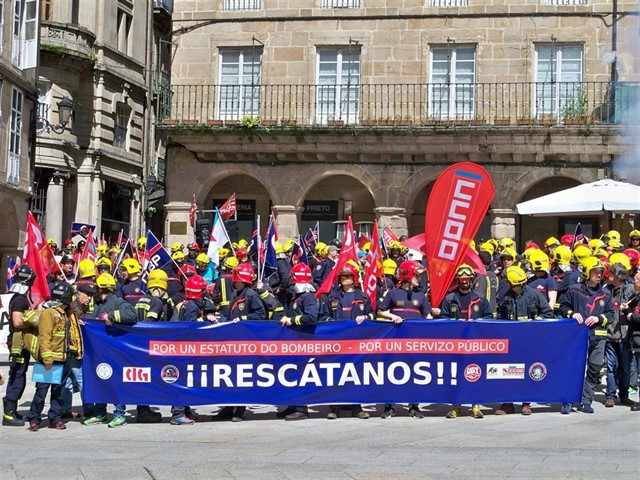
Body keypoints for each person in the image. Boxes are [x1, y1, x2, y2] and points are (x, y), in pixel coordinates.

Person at [495, 265, 554, 416]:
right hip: (511, 341)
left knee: (527, 371)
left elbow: (548, 314)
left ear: (513, 283)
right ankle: (507, 403)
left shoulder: (534, 296)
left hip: (530, 341)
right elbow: (500, 318)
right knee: (508, 372)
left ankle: (526, 403)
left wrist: (534, 323)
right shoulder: (505, 297)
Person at [377, 260, 432, 419]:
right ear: (408, 276)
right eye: (417, 275)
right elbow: (380, 311)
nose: (419, 279)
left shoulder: (421, 295)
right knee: (392, 371)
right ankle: (389, 406)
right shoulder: (393, 293)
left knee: (415, 372)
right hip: (395, 341)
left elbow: (427, 316)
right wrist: (393, 316)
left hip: (414, 342)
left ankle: (414, 406)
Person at [560, 257, 614, 414]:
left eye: (600, 272)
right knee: (574, 368)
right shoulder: (574, 290)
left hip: (598, 338)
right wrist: (572, 313)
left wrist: (598, 318)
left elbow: (610, 314)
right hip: (577, 337)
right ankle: (568, 401)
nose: (599, 275)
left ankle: (586, 401)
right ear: (587, 273)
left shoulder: (605, 294)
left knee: (594, 369)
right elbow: (563, 307)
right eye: (595, 272)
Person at [82, 273, 137, 427]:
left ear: (101, 288)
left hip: (114, 350)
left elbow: (132, 314)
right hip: (99, 351)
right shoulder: (99, 303)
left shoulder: (117, 302)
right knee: (99, 380)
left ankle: (119, 414)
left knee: (115, 382)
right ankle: (100, 413)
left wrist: (112, 316)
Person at [25, 283, 82, 431]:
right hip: (49, 360)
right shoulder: (49, 313)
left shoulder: (66, 314)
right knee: (41, 391)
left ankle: (54, 419)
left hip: (64, 358)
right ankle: (34, 419)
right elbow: (45, 336)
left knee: (59, 392)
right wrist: (47, 359)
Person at [440, 264, 494, 419]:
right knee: (455, 375)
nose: (464, 282)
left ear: (471, 280)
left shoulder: (480, 299)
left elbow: (490, 317)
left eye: (467, 279)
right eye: (462, 279)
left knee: (474, 373)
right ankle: (456, 407)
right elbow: (443, 318)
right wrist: (454, 323)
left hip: (475, 343)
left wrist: (478, 323)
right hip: (455, 344)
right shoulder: (450, 299)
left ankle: (475, 406)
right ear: (458, 280)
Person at [320, 263, 374, 420]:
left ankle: (357, 408)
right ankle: (334, 408)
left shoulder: (363, 297)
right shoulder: (332, 297)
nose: (344, 279)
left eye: (348, 276)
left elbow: (372, 315)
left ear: (354, 278)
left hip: (357, 342)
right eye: (342, 276)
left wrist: (365, 317)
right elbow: (324, 317)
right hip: (337, 342)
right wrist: (334, 325)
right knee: (336, 374)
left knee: (355, 375)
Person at [216, 264, 266, 422]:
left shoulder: (251, 294)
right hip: (233, 339)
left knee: (243, 376)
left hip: (246, 340)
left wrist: (243, 319)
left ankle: (240, 410)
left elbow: (261, 314)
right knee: (231, 376)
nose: (233, 281)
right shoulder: (235, 294)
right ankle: (230, 407)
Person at [278, 263, 319, 421]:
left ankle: (302, 408)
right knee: (292, 373)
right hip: (293, 341)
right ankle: (293, 404)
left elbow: (311, 316)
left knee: (301, 374)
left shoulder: (308, 296)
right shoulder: (295, 296)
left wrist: (292, 320)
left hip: (304, 340)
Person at [2, 265, 38, 426]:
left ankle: (12, 411)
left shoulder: (19, 298)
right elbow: (17, 322)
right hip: (17, 344)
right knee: (17, 377)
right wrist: (34, 323)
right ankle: (8, 415)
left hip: (20, 343)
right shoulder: (19, 300)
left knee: (19, 376)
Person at [603, 262, 635, 408]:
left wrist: (629, 309)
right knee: (611, 366)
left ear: (617, 276)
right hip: (609, 334)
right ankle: (610, 395)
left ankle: (624, 395)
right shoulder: (606, 290)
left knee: (625, 367)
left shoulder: (630, 290)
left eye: (611, 273)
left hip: (625, 335)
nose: (608, 275)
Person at [61, 283, 95, 420]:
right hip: (75, 350)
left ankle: (65, 410)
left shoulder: (78, 307)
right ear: (78, 294)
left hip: (69, 350)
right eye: (87, 295)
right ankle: (89, 410)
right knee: (82, 380)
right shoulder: (75, 308)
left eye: (91, 296)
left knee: (68, 381)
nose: (89, 299)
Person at [211, 256, 238, 322]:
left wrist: (217, 308)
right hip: (236, 308)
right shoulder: (238, 280)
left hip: (224, 310)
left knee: (224, 329)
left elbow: (215, 296)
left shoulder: (220, 280)